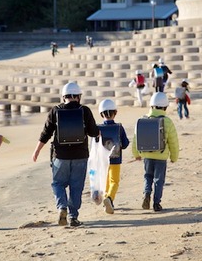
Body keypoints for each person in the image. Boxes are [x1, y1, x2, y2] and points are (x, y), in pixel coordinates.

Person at [31, 82, 99, 227]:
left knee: (58, 183)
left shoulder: (55, 110)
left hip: (60, 156)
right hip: (80, 156)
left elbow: (46, 133)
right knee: (76, 186)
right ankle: (73, 217)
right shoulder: (85, 111)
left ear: (63, 97)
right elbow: (93, 132)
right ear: (78, 97)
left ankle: (62, 207)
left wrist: (36, 150)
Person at [132, 92, 179, 212]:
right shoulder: (167, 121)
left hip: (146, 155)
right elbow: (173, 142)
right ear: (165, 107)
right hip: (161, 156)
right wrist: (174, 157)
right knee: (159, 179)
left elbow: (136, 139)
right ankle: (156, 203)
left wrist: (136, 154)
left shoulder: (143, 119)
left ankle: (147, 193)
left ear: (151, 106)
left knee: (148, 176)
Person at [98, 99, 130, 214]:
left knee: (105, 181)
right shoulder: (119, 127)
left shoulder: (98, 128)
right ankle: (110, 198)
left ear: (101, 114)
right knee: (114, 181)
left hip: (102, 160)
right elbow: (125, 144)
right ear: (115, 112)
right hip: (116, 159)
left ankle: (107, 199)